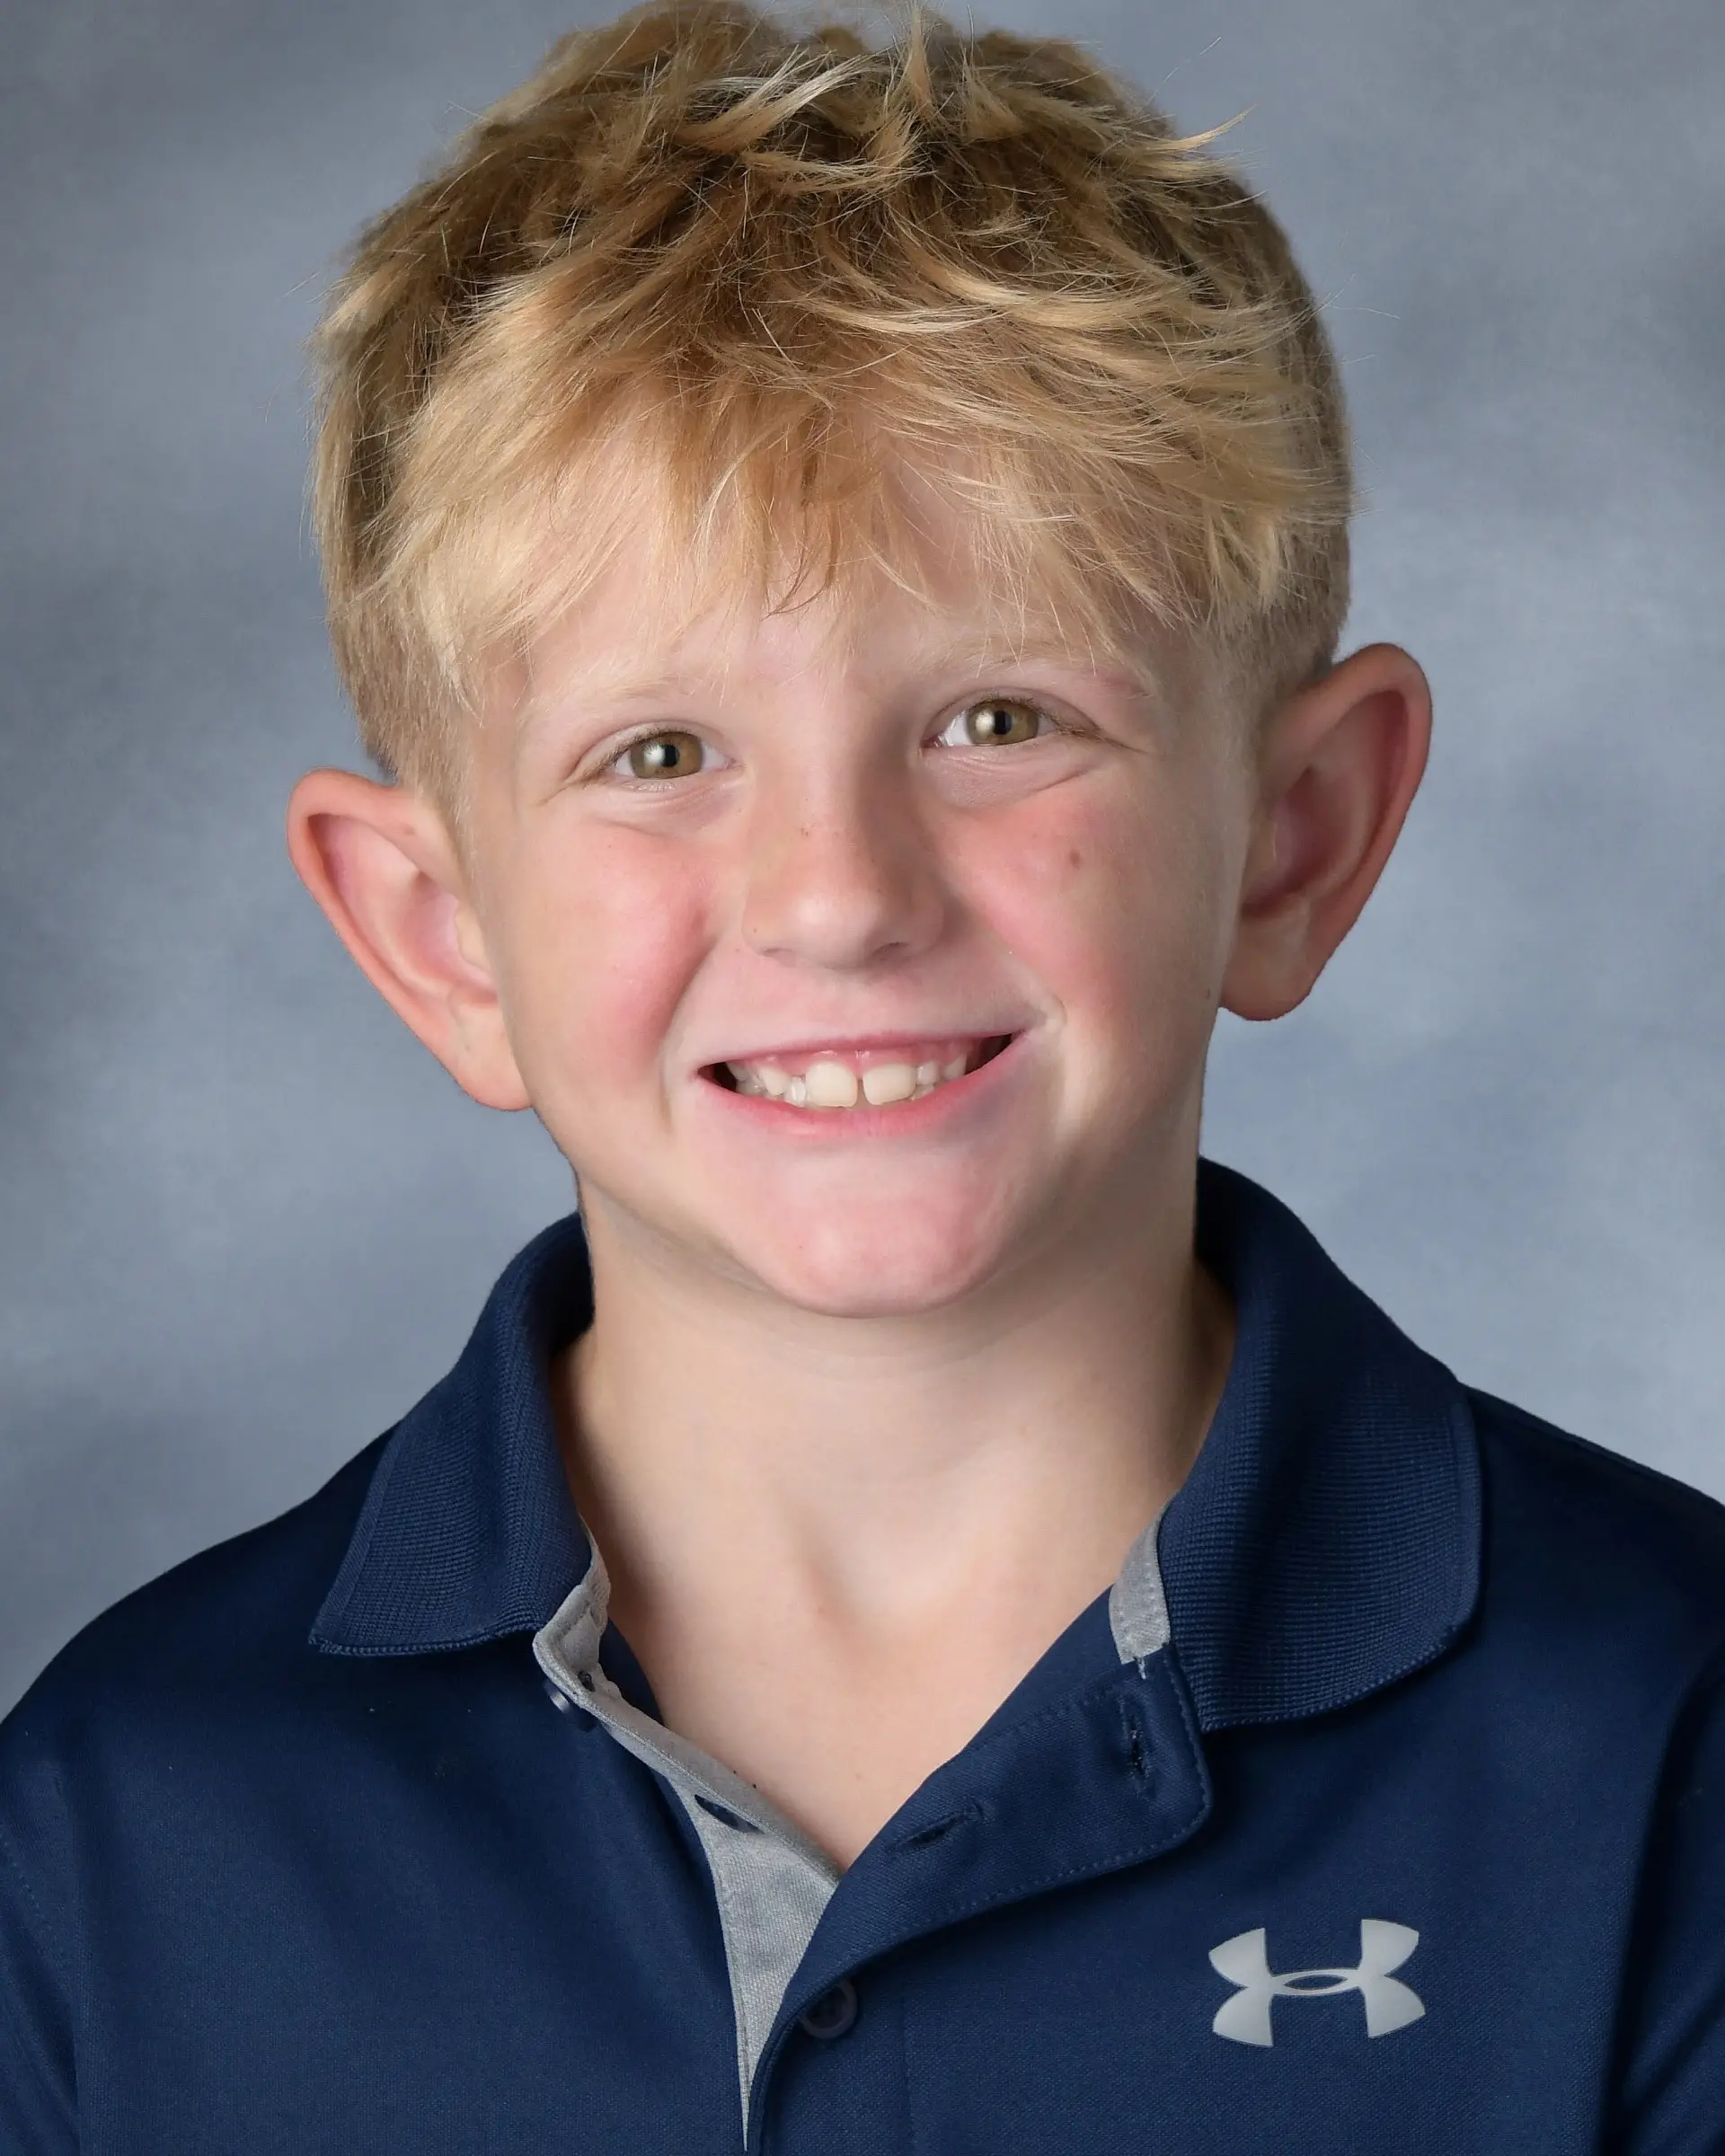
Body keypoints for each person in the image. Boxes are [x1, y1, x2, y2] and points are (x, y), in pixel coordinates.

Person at [2, 4, 1721, 2149]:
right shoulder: (112, 1837)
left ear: (1295, 837)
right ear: (439, 935)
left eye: (1002, 721)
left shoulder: (1671, 1757)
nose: (837, 898)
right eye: (659, 753)